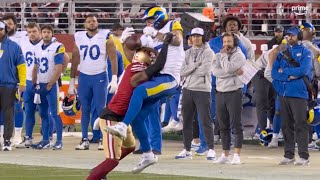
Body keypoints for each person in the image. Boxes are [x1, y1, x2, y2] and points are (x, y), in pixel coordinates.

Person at [106, 6, 184, 173]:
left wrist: (155, 34)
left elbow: (176, 40)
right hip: (156, 78)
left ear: (157, 16)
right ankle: (148, 154)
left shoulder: (172, 24)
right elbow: (134, 55)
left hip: (170, 78)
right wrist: (125, 41)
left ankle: (122, 126)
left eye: (149, 19)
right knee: (138, 118)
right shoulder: (150, 37)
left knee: (139, 91)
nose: (148, 24)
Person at [87, 46, 159, 180]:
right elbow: (153, 72)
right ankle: (97, 174)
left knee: (130, 146)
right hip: (112, 118)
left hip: (122, 119)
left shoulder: (134, 67)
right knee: (112, 160)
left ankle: (99, 170)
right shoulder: (138, 68)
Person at [68, 14, 118, 150]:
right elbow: (75, 59)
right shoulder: (79, 37)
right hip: (84, 77)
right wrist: (72, 81)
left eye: (94, 21)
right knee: (85, 109)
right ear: (85, 24)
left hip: (100, 76)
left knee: (101, 109)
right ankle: (84, 139)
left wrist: (114, 78)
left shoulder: (106, 36)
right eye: (89, 21)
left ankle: (103, 139)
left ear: (97, 23)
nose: (91, 23)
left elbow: (113, 58)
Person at [272, 26, 312, 165]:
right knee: (286, 125)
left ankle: (304, 156)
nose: (289, 38)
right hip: (283, 93)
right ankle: (289, 155)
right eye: (288, 35)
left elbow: (303, 70)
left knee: (300, 124)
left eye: (292, 35)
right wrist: (289, 75)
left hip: (299, 94)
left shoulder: (306, 52)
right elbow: (274, 72)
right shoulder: (281, 52)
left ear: (299, 36)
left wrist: (285, 72)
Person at [175, 27, 215, 160]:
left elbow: (205, 70)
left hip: (202, 89)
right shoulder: (187, 52)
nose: (196, 38)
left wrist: (191, 68)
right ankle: (186, 149)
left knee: (205, 120)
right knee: (187, 121)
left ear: (203, 37)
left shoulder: (209, 52)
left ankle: (211, 149)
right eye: (193, 36)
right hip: (188, 89)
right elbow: (182, 71)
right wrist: (195, 65)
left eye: (198, 36)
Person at [212, 32, 246, 164]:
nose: (226, 45)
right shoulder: (218, 55)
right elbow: (214, 71)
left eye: (229, 42)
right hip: (220, 92)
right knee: (223, 126)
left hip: (234, 93)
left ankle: (236, 155)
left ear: (235, 42)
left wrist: (226, 64)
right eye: (225, 42)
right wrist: (231, 72)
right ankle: (225, 155)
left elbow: (227, 68)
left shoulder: (239, 55)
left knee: (236, 125)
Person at [31, 25, 65, 150]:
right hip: (41, 83)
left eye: (48, 32)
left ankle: (59, 141)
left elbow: (59, 68)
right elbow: (35, 67)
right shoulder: (37, 48)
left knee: (55, 113)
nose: (46, 34)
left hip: (52, 85)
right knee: (43, 113)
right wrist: (34, 81)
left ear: (52, 34)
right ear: (41, 33)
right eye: (44, 32)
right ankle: (45, 140)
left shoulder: (57, 47)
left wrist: (50, 84)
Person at [0, 20, 26, 151]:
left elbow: (21, 66)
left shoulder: (14, 46)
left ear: (5, 30)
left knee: (8, 113)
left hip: (8, 85)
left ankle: (7, 140)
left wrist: (22, 83)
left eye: (0, 29)